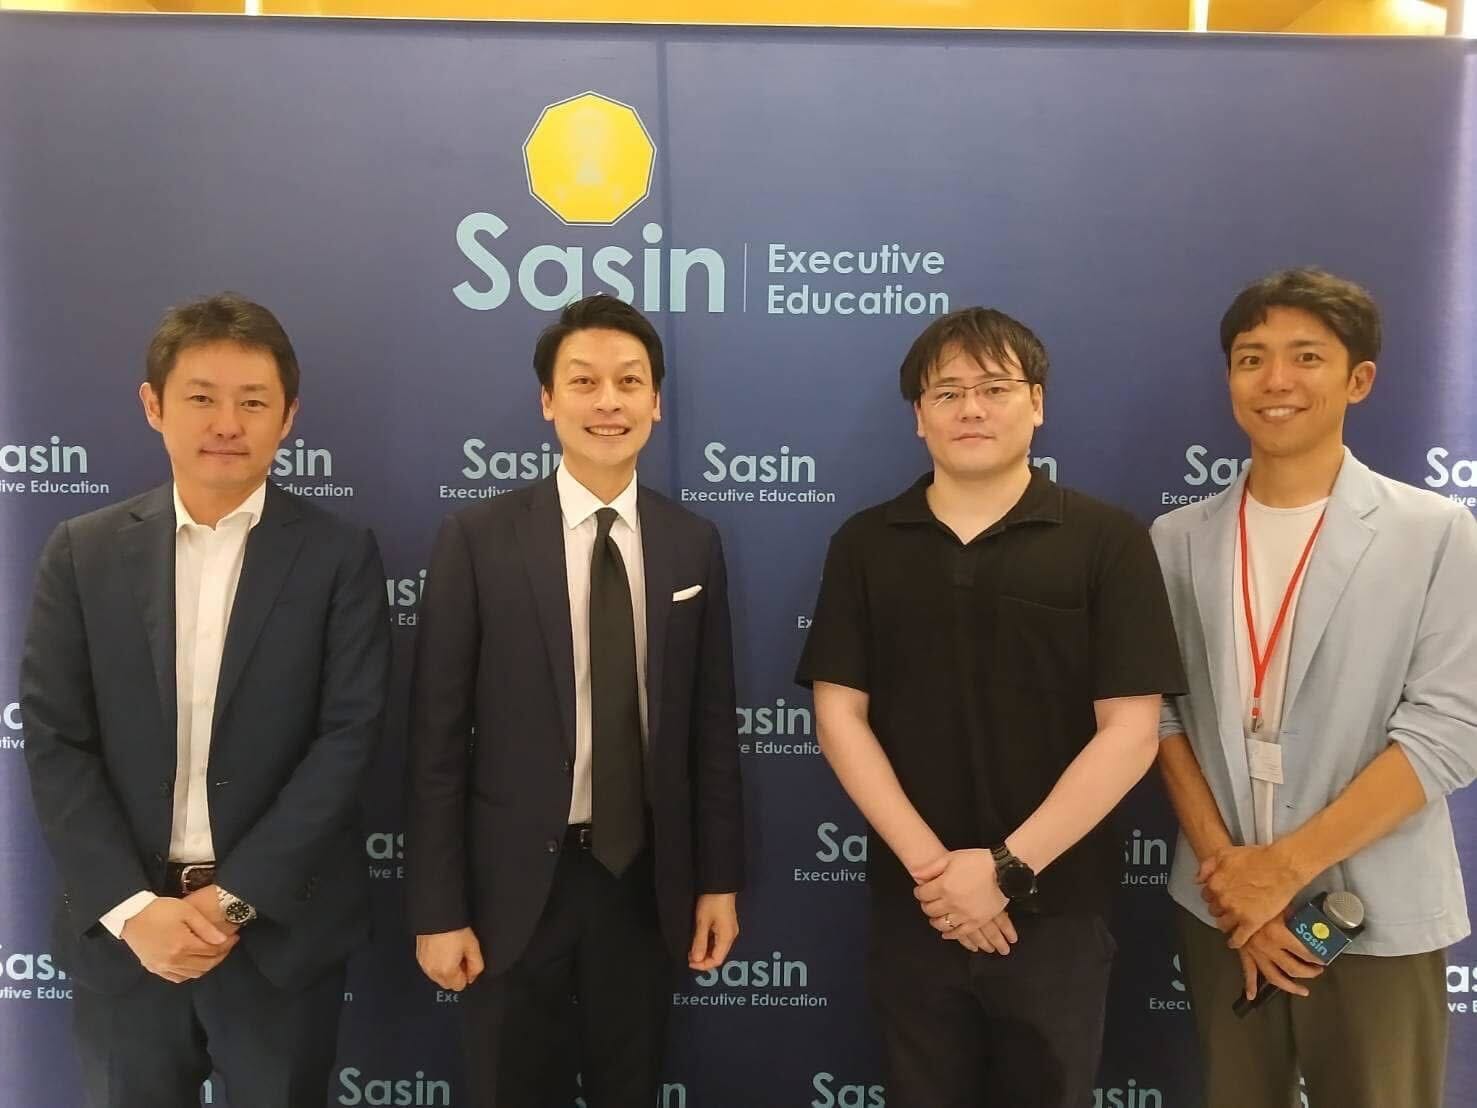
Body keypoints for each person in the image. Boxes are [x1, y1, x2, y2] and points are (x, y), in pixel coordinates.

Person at [795, 306, 1186, 1108]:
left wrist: (1006, 869)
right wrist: (939, 878)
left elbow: (1130, 730)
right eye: (946, 392)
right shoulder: (864, 544)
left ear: (1035, 402)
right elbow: (838, 718)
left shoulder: (1107, 541)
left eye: (994, 388)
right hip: (918, 907)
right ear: (919, 416)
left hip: (1059, 910)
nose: (970, 409)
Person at [20, 292, 391, 1107]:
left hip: (278, 936)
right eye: (201, 397)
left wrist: (234, 900)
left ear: (287, 417)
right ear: (154, 405)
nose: (227, 423)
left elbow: (348, 737)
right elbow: (54, 741)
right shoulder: (82, 554)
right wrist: (133, 909)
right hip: (127, 941)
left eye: (252, 402)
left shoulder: (337, 557)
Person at [407, 293, 744, 1107]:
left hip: (644, 883)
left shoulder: (690, 542)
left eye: (629, 381)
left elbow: (710, 731)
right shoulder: (478, 539)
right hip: (511, 887)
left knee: (632, 1087)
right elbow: (436, 742)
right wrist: (438, 909)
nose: (607, 402)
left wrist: (717, 882)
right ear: (548, 401)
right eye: (584, 381)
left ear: (655, 403)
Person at [1152, 267, 1477, 1108]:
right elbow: (1160, 719)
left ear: (1357, 379)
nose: (1275, 380)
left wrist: (1284, 870)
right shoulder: (1175, 540)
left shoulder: (1434, 533)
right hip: (1221, 909)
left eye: (1305, 356)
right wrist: (1235, 883)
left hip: (1372, 910)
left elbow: (1449, 731)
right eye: (1250, 358)